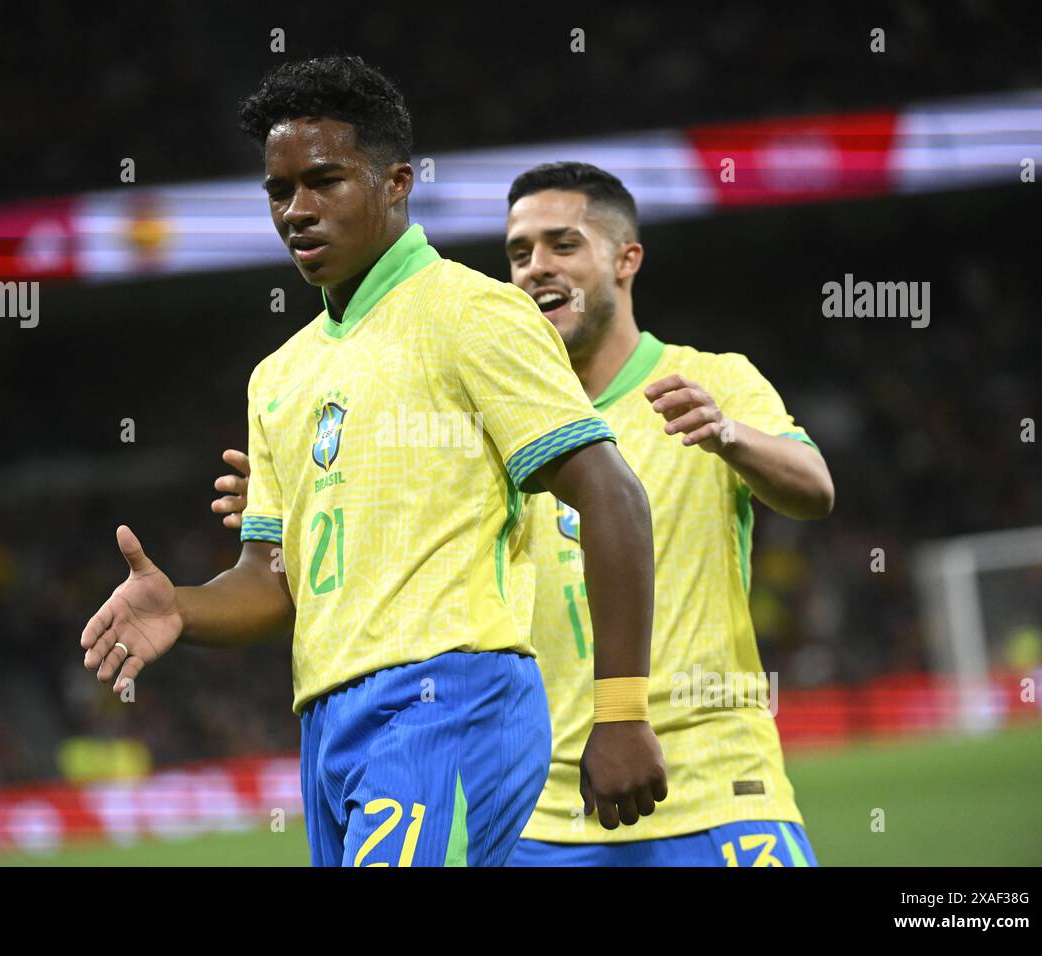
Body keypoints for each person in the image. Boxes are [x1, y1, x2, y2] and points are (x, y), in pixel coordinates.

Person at [83, 60, 667, 867]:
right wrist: (182, 607)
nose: (297, 211)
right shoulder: (279, 377)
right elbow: (271, 580)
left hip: (453, 699)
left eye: (324, 182)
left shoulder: (474, 313)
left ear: (395, 183)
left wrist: (622, 712)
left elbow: (613, 497)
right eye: (279, 191)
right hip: (328, 720)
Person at [216, 161, 834, 866]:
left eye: (562, 245)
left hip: (716, 786)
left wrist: (730, 435)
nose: (535, 267)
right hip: (541, 812)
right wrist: (304, 497)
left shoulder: (712, 380)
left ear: (625, 258)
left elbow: (813, 490)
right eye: (518, 252)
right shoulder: (484, 414)